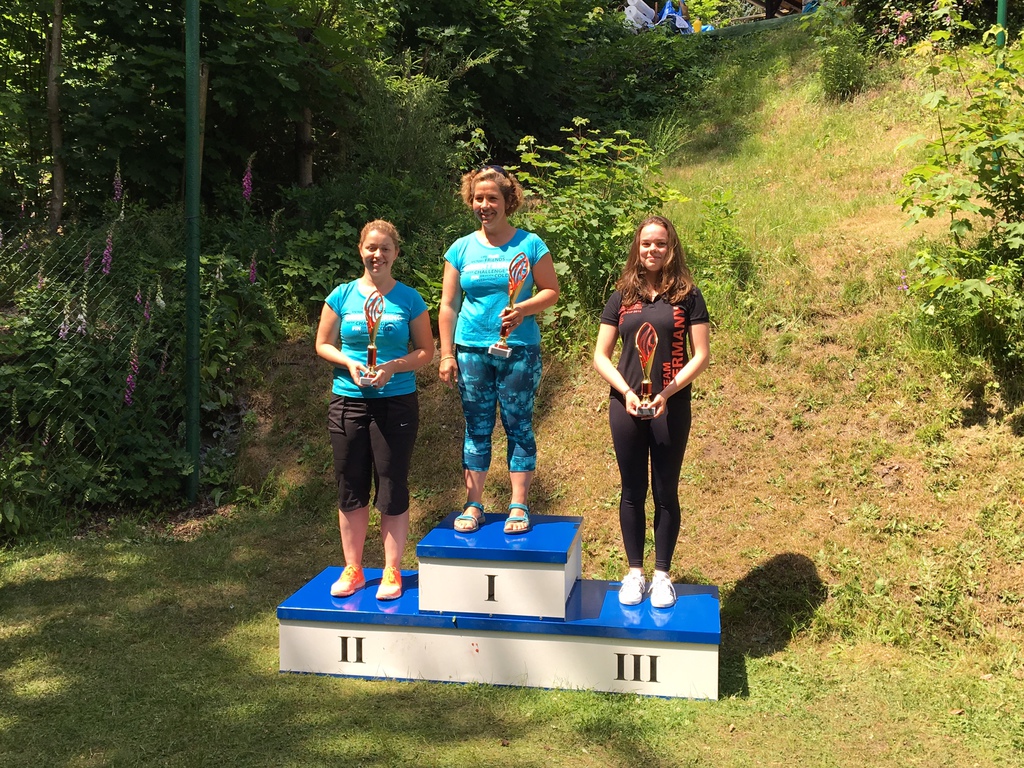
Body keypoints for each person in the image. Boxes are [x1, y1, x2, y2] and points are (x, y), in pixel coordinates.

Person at [592, 215, 710, 609]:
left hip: (670, 406)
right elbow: (601, 355)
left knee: (665, 491)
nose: (652, 250)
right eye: (646, 243)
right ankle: (634, 573)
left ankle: (661, 576)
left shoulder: (688, 296)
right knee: (631, 491)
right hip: (625, 405)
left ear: (671, 248)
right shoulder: (622, 296)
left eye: (660, 243)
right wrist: (626, 391)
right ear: (637, 248)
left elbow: (701, 355)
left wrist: (668, 392)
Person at [315, 220, 434, 601]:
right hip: (347, 400)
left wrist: (392, 367)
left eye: (385, 248)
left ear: (396, 253)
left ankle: (391, 570)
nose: (377, 254)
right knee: (350, 484)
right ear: (360, 250)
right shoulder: (341, 295)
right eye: (371, 247)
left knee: (392, 483)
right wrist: (349, 363)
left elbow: (426, 351)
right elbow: (323, 344)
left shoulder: (410, 299)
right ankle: (353, 569)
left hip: (396, 403)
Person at [438, 165, 560, 535]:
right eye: (478, 198)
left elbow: (551, 291)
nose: (485, 205)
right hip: (470, 351)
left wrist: (523, 309)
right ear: (470, 201)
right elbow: (448, 305)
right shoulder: (460, 248)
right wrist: (447, 354)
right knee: (476, 427)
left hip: (519, 350)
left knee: (518, 425)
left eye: (492, 198)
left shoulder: (530, 244)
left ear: (508, 201)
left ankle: (518, 505)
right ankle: (473, 504)